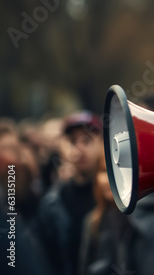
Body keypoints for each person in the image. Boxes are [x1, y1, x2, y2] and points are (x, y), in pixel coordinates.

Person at [36, 111, 103, 275]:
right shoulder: (52, 202)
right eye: (72, 141)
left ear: (101, 144)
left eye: (87, 140)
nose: (79, 148)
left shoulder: (113, 198)